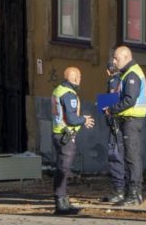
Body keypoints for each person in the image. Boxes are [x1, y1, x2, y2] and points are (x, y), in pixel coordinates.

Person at [104, 46, 146, 206]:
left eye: (116, 58)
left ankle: (134, 194)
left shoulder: (132, 74)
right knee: (129, 157)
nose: (114, 62)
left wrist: (111, 109)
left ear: (126, 57)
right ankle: (132, 193)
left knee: (132, 157)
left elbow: (129, 99)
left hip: (131, 119)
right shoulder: (126, 74)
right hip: (128, 119)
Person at [51, 66, 95, 215]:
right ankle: (60, 203)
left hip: (59, 134)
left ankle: (64, 202)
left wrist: (80, 119)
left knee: (62, 169)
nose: (80, 79)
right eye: (80, 76)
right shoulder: (69, 94)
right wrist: (84, 120)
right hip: (66, 136)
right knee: (63, 170)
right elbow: (71, 119)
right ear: (75, 78)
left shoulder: (58, 89)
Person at [102, 58, 125, 203]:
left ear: (107, 71)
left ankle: (119, 190)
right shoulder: (125, 78)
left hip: (116, 125)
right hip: (126, 123)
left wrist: (104, 107)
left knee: (115, 155)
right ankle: (127, 189)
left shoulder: (113, 82)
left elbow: (108, 108)